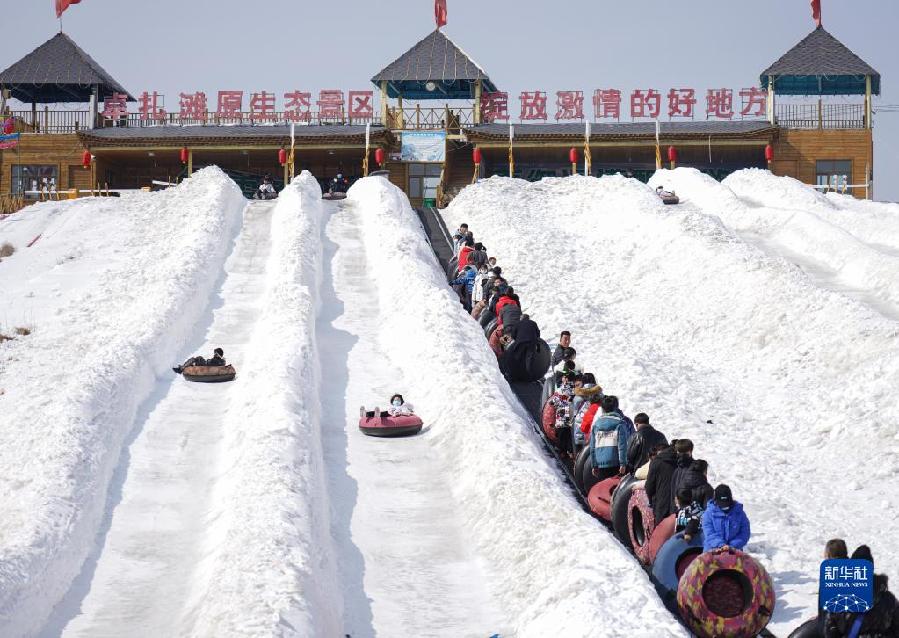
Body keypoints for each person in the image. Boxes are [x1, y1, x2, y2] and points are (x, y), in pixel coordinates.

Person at [590, 395, 632, 481]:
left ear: (602, 409)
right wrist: (623, 464)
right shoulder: (620, 424)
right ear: (615, 408)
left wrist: (594, 465)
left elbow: (592, 447)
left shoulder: (596, 425)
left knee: (604, 489)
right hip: (616, 464)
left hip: (601, 464)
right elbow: (622, 446)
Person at [701, 484, 750, 552]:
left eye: (727, 503)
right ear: (715, 501)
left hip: (734, 551)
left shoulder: (739, 513)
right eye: (722, 504)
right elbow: (709, 533)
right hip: (713, 551)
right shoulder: (708, 514)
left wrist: (732, 545)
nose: (725, 507)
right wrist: (721, 545)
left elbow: (745, 533)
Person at [645, 441, 679, 522]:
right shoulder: (680, 460)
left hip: (662, 504)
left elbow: (649, 487)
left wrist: (650, 500)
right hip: (679, 504)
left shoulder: (656, 462)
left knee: (662, 531)